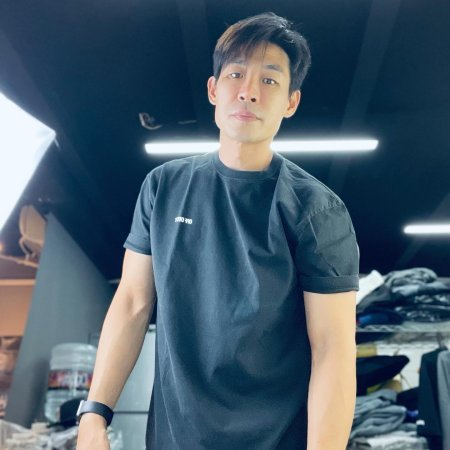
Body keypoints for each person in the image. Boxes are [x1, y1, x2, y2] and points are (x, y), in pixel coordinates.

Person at [76, 11, 360, 450]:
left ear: (291, 102)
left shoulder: (316, 209)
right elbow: (132, 302)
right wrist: (94, 412)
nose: (248, 91)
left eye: (269, 80)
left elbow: (333, 349)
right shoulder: (163, 187)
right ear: (213, 89)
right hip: (174, 438)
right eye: (236, 74)